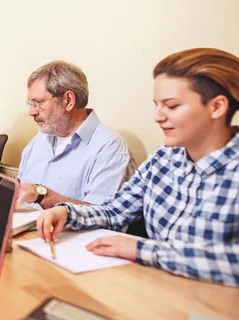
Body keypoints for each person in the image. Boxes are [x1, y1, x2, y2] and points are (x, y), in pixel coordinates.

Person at [37, 48, 239, 287]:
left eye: (172, 106)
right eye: (156, 105)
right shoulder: (164, 158)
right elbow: (114, 211)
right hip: (156, 291)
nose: (158, 116)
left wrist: (142, 249)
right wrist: (67, 213)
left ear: (217, 107)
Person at [16, 61, 135, 208]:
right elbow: (17, 190)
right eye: (31, 104)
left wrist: (43, 196)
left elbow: (105, 216)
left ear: (68, 100)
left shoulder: (109, 148)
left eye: (38, 103)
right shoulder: (40, 139)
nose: (32, 112)